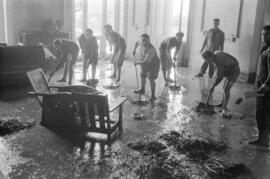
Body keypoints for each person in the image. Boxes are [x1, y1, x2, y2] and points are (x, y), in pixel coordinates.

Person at [249, 25, 270, 146]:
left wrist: (266, 85)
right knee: (259, 112)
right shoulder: (264, 48)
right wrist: (256, 86)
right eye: (263, 34)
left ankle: (264, 141)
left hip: (266, 88)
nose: (264, 36)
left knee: (264, 113)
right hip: (260, 84)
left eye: (267, 34)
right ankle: (262, 139)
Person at [204, 51, 240, 117]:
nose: (208, 62)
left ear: (211, 56)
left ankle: (224, 107)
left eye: (208, 60)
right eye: (206, 61)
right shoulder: (216, 55)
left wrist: (213, 86)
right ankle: (222, 104)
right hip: (228, 70)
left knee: (226, 89)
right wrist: (212, 85)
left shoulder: (218, 61)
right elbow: (217, 74)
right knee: (224, 88)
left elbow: (219, 76)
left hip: (234, 72)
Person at [133, 34, 160, 101]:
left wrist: (137, 62)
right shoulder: (140, 42)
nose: (144, 42)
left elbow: (146, 61)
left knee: (151, 79)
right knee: (143, 75)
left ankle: (153, 96)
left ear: (149, 40)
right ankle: (142, 90)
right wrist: (134, 50)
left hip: (153, 64)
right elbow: (136, 43)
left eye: (146, 40)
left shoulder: (151, 49)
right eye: (143, 40)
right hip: (144, 61)